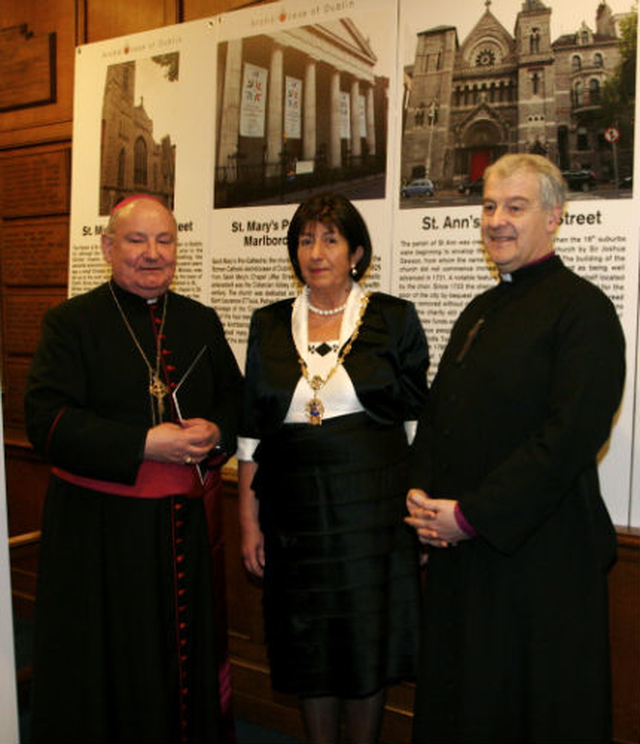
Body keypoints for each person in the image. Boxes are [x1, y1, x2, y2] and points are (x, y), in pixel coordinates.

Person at [405, 153, 626, 744]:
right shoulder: (481, 308)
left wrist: (472, 517)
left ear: (554, 217)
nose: (497, 220)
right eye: (488, 206)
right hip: (463, 554)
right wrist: (421, 501)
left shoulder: (584, 311)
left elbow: (567, 440)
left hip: (538, 563)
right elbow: (440, 414)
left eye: (515, 207)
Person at [24, 194, 243, 744]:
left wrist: (216, 432)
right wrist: (144, 444)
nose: (152, 254)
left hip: (182, 534)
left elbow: (238, 405)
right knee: (106, 668)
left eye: (164, 241)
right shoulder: (70, 323)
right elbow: (45, 422)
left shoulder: (200, 320)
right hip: (97, 536)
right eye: (136, 240)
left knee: (179, 665)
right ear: (107, 246)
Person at [238, 193, 429, 744]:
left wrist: (417, 510)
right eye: (304, 239)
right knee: (309, 640)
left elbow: (418, 424)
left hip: (374, 507)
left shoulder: (394, 318)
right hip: (293, 509)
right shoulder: (270, 323)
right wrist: (250, 523)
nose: (315, 251)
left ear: (356, 252)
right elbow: (251, 433)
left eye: (329, 239)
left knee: (366, 639)